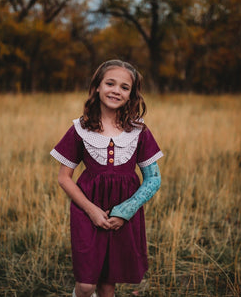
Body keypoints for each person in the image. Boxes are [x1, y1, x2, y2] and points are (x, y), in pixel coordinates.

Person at [50, 59, 163, 297]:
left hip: (123, 214)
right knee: (86, 284)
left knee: (108, 284)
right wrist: (91, 210)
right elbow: (64, 178)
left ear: (132, 94)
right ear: (97, 87)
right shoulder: (80, 129)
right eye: (110, 83)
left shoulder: (138, 130)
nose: (116, 90)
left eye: (124, 87)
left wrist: (125, 211)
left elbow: (153, 179)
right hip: (87, 210)